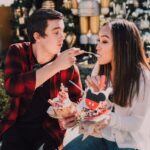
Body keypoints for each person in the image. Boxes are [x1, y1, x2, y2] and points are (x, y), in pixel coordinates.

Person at [0, 9, 84, 150]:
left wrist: (73, 113)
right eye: (56, 32)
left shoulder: (68, 67)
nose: (62, 37)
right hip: (17, 128)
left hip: (50, 133)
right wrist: (56, 66)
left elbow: (79, 100)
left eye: (62, 31)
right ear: (38, 36)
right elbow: (12, 87)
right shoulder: (18, 51)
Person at [62, 19, 150, 150]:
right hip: (100, 136)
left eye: (104, 41)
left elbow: (136, 123)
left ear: (122, 46)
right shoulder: (100, 69)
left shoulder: (142, 77)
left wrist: (109, 119)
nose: (97, 46)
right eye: (98, 40)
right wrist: (78, 116)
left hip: (129, 143)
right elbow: (90, 109)